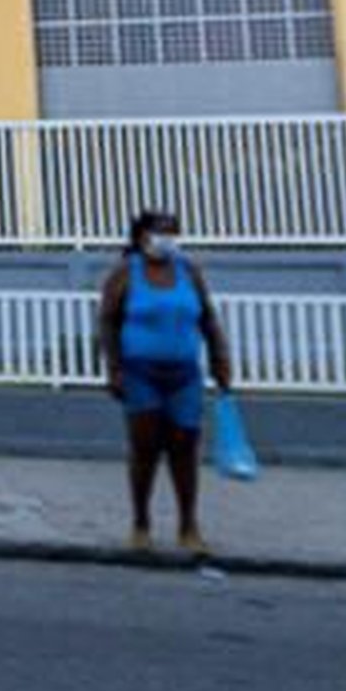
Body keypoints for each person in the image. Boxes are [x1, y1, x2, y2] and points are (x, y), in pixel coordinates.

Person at [93, 207, 235, 558]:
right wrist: (114, 368)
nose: (166, 239)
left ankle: (189, 526)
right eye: (160, 231)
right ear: (142, 236)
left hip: (184, 374)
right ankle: (140, 524)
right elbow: (108, 322)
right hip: (141, 373)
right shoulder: (126, 273)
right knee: (145, 448)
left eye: (173, 232)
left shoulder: (189, 272)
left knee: (185, 447)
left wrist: (220, 359)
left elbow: (208, 318)